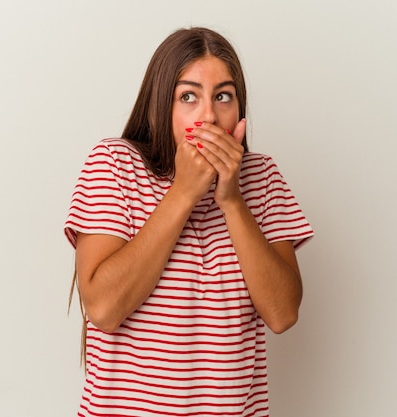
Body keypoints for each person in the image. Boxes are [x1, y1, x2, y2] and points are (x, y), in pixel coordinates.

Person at [64, 27, 314, 417]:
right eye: (189, 96)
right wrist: (183, 193)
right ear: (161, 104)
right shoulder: (113, 164)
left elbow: (283, 314)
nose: (209, 115)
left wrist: (231, 200)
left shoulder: (262, 178)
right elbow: (103, 308)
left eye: (223, 96)